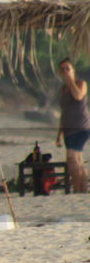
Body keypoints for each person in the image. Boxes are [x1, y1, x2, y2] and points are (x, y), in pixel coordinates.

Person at [55, 58, 89, 193]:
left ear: (73, 70)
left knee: (73, 158)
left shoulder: (80, 84)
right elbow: (64, 113)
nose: (65, 71)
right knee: (76, 160)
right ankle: (81, 189)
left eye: (67, 68)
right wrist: (59, 134)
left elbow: (78, 96)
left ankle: (79, 190)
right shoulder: (63, 90)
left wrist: (70, 80)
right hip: (68, 128)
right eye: (62, 69)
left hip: (81, 126)